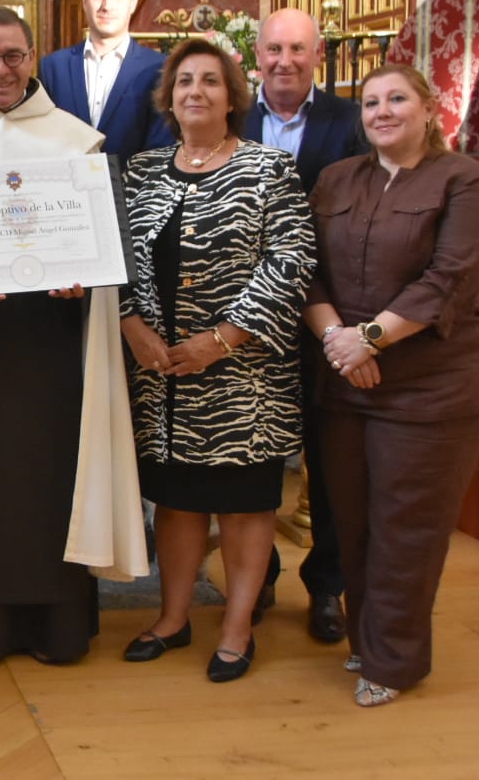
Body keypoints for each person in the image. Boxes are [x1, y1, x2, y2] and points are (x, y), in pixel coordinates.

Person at [0, 7, 147, 666]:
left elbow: (109, 243)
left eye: (12, 56)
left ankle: (55, 625)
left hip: (53, 349)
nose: (0, 70)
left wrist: (87, 278)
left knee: (51, 482)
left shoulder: (77, 141)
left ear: (33, 56)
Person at [304, 63, 479, 708]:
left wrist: (371, 339)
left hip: (432, 392)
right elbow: (308, 273)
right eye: (369, 102)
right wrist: (341, 341)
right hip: (347, 383)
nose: (381, 111)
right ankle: (368, 636)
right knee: (351, 524)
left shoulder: (465, 180)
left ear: (428, 108)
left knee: (406, 528)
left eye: (396, 99)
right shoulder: (336, 179)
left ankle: (395, 661)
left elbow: (449, 279)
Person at [118, 38, 314, 683]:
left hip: (243, 377)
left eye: (208, 81)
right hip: (163, 375)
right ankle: (173, 619)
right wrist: (131, 325)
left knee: (243, 506)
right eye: (183, 82)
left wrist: (225, 338)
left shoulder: (269, 169)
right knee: (175, 504)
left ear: (233, 96)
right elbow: (113, 257)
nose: (194, 92)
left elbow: (290, 264)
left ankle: (235, 628)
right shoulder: (142, 172)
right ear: (167, 98)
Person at [241, 7, 366, 641]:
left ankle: (327, 588)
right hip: (245, 319)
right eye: (273, 49)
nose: (284, 60)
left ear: (318, 54)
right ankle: (255, 579)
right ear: (255, 54)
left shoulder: (351, 122)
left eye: (297, 48)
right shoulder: (229, 117)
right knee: (254, 455)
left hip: (328, 314)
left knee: (331, 461)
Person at [39, 0, 170, 163]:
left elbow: (161, 148)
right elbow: (43, 142)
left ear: (133, 2)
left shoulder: (159, 68)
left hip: (133, 191)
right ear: (84, 1)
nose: (106, 6)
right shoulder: (53, 67)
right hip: (68, 192)